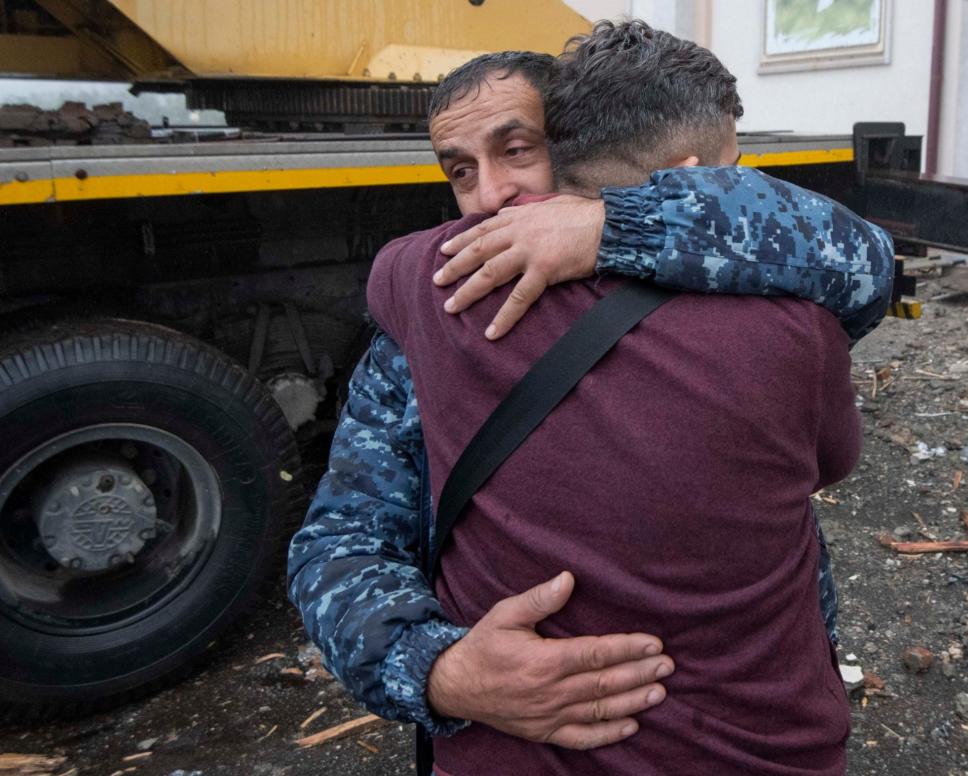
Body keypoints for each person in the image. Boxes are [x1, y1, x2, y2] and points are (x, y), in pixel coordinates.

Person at [288, 43, 891, 755]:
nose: (488, 196)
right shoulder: (440, 298)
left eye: (516, 150)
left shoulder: (747, 282)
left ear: (578, 140)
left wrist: (617, 227)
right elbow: (339, 539)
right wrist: (441, 670)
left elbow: (863, 260)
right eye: (459, 171)